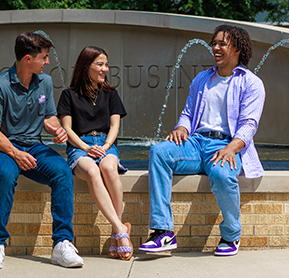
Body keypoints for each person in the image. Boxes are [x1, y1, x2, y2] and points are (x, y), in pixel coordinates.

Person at [139, 25, 265, 256]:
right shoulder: (202, 78)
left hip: (227, 144)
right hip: (196, 143)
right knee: (159, 152)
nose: (215, 48)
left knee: (222, 174)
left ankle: (231, 235)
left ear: (237, 48)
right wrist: (180, 128)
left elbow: (249, 125)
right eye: (213, 43)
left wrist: (230, 148)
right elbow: (188, 113)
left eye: (221, 44)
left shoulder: (251, 83)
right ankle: (163, 232)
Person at [0, 32, 83, 269]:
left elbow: (50, 117)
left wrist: (56, 130)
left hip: (33, 146)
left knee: (63, 172)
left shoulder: (44, 82)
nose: (47, 62)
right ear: (28, 59)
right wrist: (15, 154)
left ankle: (62, 244)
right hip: (2, 148)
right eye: (44, 57)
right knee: (6, 175)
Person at [57, 46, 131, 260]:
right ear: (85, 66)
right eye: (99, 64)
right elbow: (67, 129)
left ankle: (115, 232)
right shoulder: (68, 95)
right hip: (80, 145)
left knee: (108, 167)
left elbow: (115, 126)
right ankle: (120, 229)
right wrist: (86, 147)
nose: (104, 69)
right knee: (91, 170)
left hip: (106, 144)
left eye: (106, 64)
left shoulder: (111, 94)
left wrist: (106, 146)